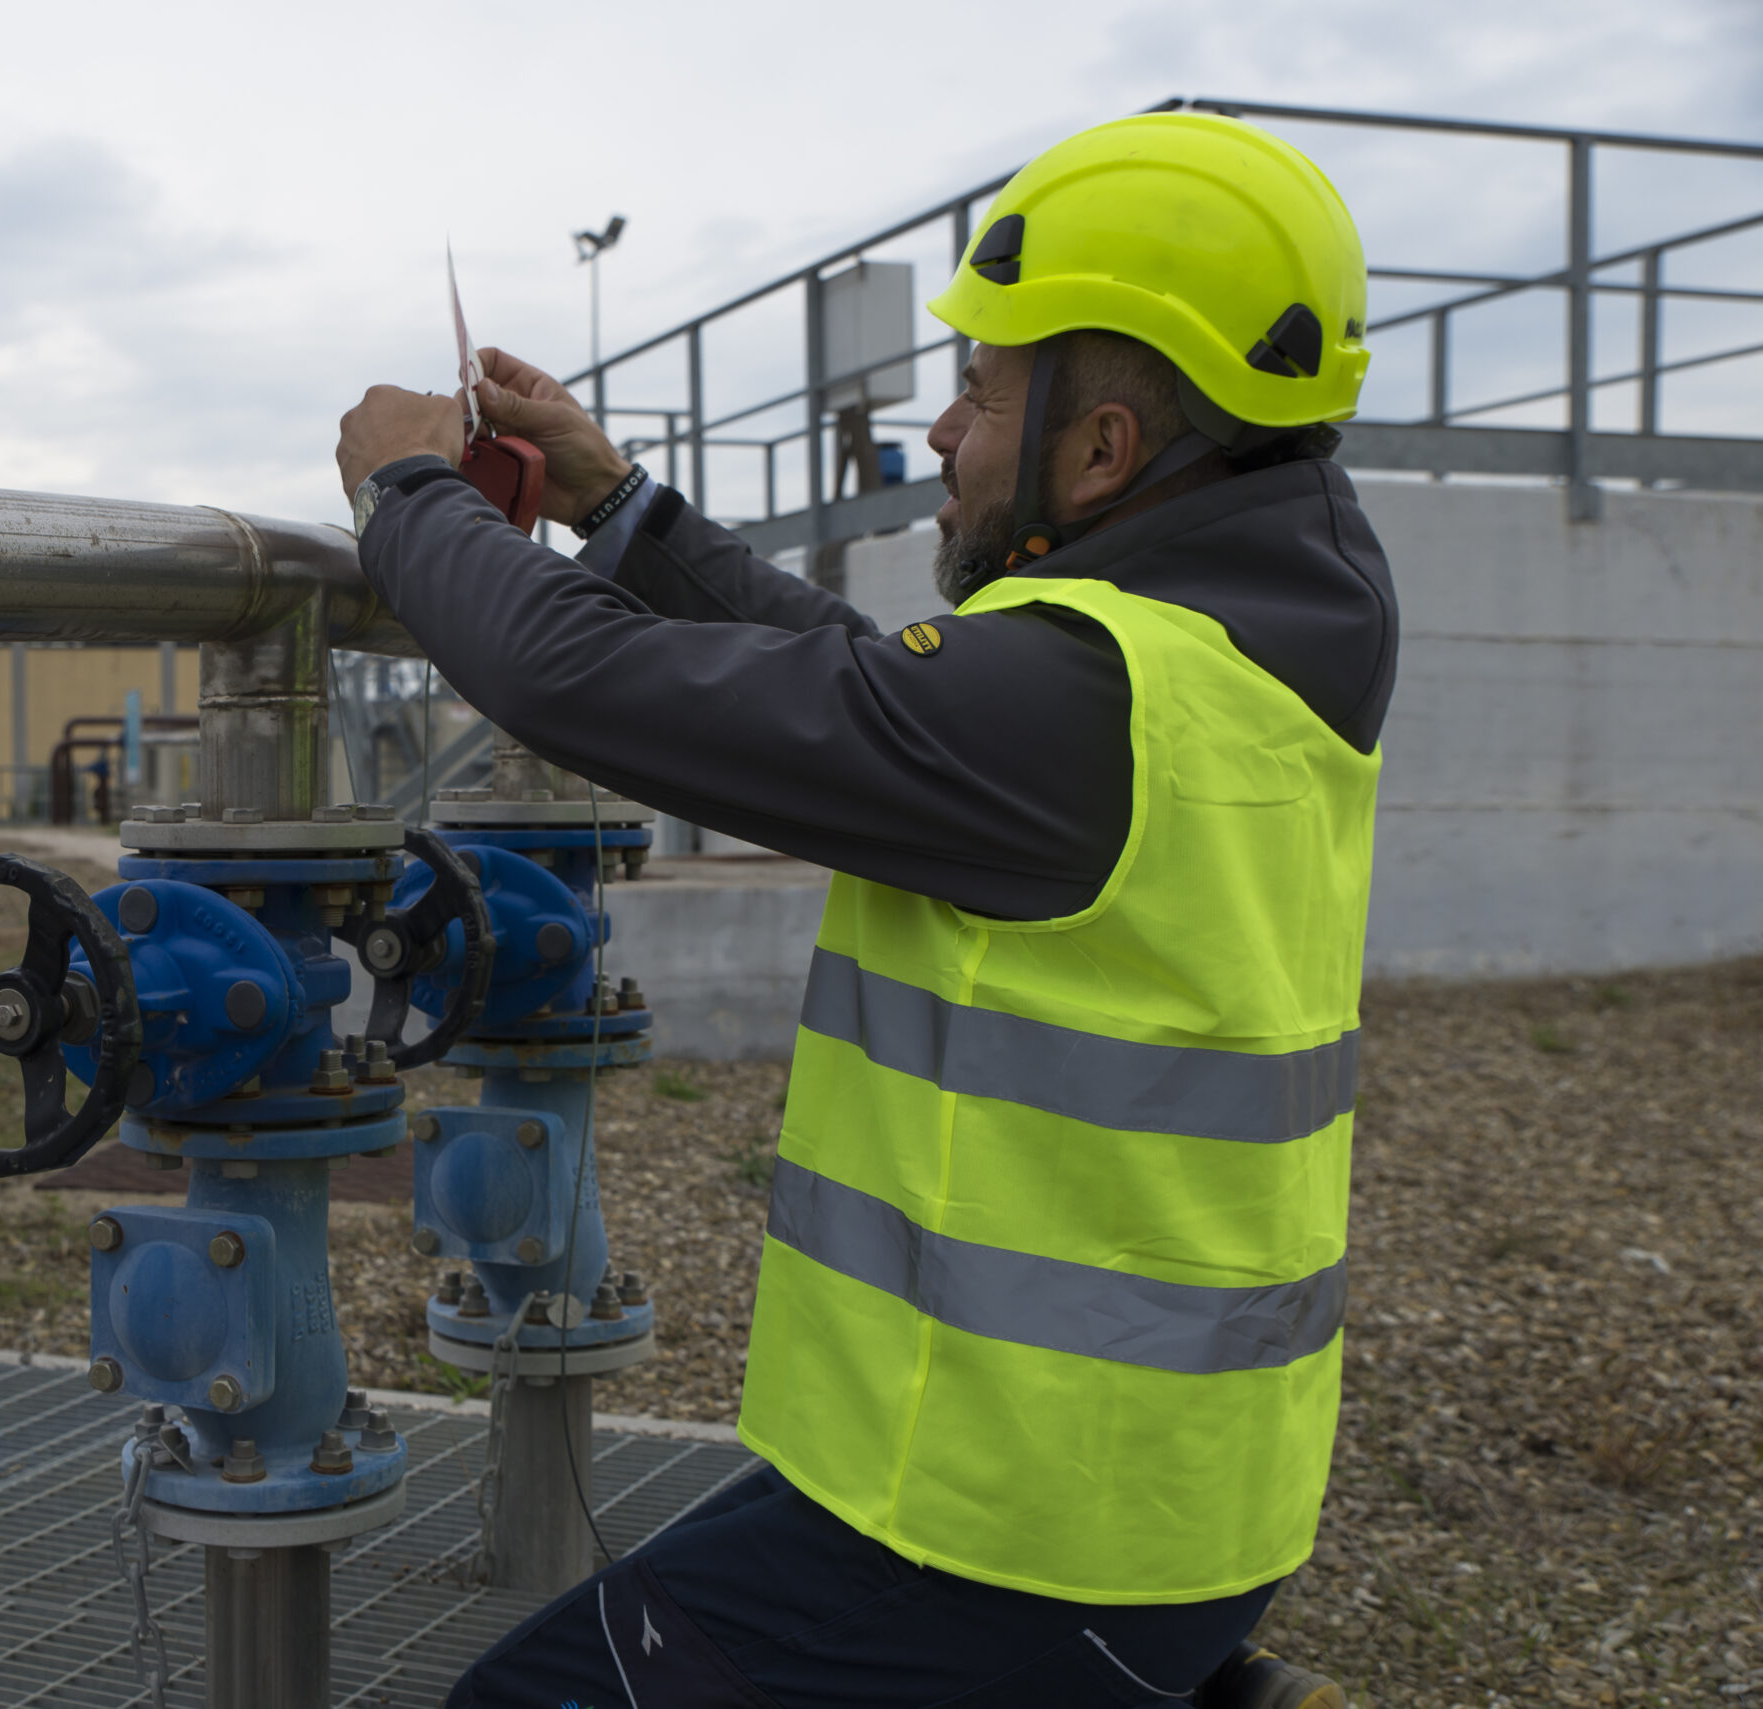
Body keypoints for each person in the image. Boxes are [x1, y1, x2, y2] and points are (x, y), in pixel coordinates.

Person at [337, 111, 1385, 1709]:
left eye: (983, 386)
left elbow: (588, 681)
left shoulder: (1093, 696)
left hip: (1013, 1533)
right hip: (1130, 1490)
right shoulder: (1228, 637)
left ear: (1101, 451)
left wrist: (413, 494)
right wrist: (625, 507)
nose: (944, 429)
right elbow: (867, 692)